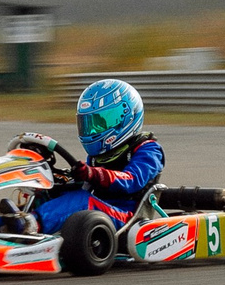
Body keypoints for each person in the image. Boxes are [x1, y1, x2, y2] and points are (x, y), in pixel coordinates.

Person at [30, 79, 164, 233]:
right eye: (89, 124)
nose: (92, 131)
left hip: (126, 218)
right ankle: (5, 224)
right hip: (98, 213)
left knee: (80, 201)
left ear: (125, 118)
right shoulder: (100, 156)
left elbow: (132, 180)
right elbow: (89, 186)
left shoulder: (148, 149)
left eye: (100, 123)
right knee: (46, 194)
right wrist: (61, 180)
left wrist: (93, 174)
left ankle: (30, 225)